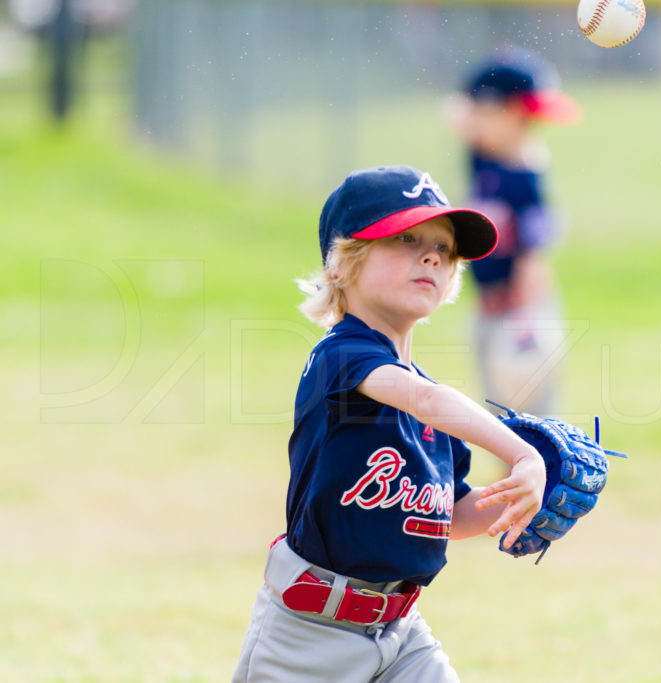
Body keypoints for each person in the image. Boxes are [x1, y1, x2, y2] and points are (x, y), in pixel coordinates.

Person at [232, 165, 546, 682]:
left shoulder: (432, 409)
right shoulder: (341, 357)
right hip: (310, 635)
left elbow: (444, 515)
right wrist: (523, 454)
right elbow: (423, 398)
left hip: (402, 635)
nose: (431, 255)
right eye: (405, 238)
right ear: (340, 262)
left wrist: (512, 501)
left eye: (444, 249)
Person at [446, 47, 580, 416]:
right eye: (522, 118)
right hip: (490, 310)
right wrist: (479, 107)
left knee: (531, 421)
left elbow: (533, 255)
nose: (530, 130)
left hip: (522, 310)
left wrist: (521, 317)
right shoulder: (484, 158)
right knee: (497, 417)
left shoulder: (526, 173)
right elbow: (455, 113)